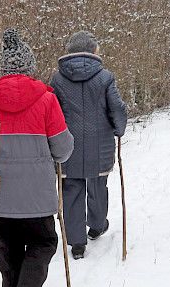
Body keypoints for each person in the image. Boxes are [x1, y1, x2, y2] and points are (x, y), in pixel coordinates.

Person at [0, 29, 74, 287]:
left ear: (2, 67)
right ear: (29, 66)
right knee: (43, 243)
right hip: (38, 196)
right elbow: (63, 149)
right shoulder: (46, 99)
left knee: (8, 251)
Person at [50, 31, 128, 260]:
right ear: (93, 50)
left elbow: (52, 112)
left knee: (71, 190)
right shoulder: (105, 77)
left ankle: (76, 243)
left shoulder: (57, 79)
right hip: (100, 144)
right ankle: (96, 226)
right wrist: (119, 129)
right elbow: (117, 108)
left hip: (68, 146)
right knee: (97, 186)